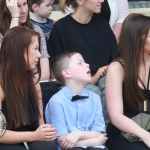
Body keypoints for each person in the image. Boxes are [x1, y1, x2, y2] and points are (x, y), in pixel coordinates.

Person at [48, 0, 118, 123]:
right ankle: (99, 132)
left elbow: (116, 59)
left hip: (103, 80)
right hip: (74, 82)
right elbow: (55, 76)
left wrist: (108, 70)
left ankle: (107, 131)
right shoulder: (60, 28)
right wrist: (91, 79)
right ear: (80, 1)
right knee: (92, 91)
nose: (102, 0)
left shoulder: (103, 24)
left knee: (108, 82)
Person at [0, 26, 57, 150]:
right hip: (5, 138)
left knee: (47, 147)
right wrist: (34, 136)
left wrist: (45, 134)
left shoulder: (33, 79)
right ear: (19, 51)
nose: (39, 55)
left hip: (31, 135)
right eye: (36, 49)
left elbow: (40, 121)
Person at [45, 51, 108, 150]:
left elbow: (98, 131)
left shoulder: (95, 98)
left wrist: (78, 134)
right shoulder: (56, 101)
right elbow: (63, 142)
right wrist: (97, 141)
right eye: (80, 63)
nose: (87, 64)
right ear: (67, 73)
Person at [105, 13, 150, 150]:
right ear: (138, 40)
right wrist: (144, 135)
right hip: (124, 131)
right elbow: (116, 116)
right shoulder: (117, 68)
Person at [0, 0, 50, 80]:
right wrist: (15, 17)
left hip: (33, 87)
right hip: (8, 89)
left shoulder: (36, 29)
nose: (23, 11)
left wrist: (21, 82)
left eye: (25, 4)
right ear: (6, 8)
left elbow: (44, 74)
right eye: (17, 6)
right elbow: (9, 53)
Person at [64, 0, 129, 42]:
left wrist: (114, 37)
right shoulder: (62, 29)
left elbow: (123, 15)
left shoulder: (104, 25)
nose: (102, 1)